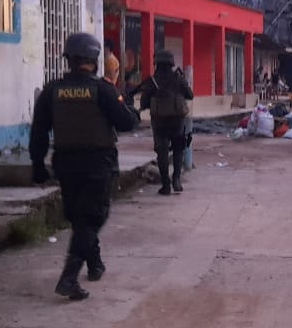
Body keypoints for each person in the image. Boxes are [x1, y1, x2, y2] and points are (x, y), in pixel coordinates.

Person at [30, 32, 140, 300]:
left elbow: (39, 131)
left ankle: (95, 264)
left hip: (65, 164)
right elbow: (126, 123)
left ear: (68, 59)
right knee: (92, 218)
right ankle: (68, 278)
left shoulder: (51, 91)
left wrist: (38, 165)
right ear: (94, 58)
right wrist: (132, 109)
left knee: (80, 217)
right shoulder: (103, 90)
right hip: (97, 164)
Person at [139, 49, 194, 196]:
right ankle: (176, 179)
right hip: (177, 121)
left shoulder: (152, 81)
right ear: (171, 63)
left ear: (156, 63)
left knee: (162, 152)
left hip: (159, 122)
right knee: (178, 149)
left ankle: (165, 185)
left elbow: (144, 102)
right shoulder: (178, 79)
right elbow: (190, 95)